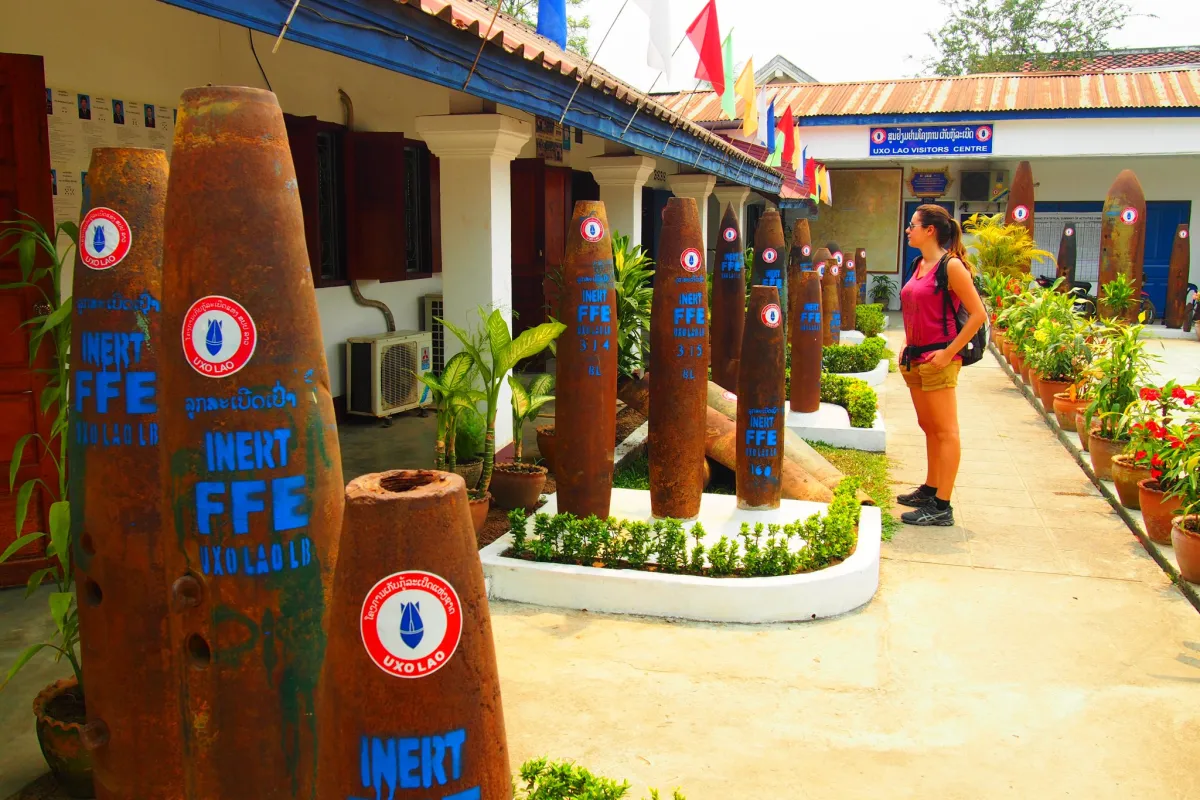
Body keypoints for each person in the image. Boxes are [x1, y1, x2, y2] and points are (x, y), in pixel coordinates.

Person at [896, 204, 987, 526]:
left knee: (946, 431)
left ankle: (942, 505)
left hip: (939, 359)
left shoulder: (952, 267)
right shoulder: (917, 264)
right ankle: (931, 487)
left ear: (930, 230)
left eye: (913, 225)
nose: (909, 230)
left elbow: (978, 315)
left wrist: (948, 353)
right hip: (916, 358)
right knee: (929, 427)